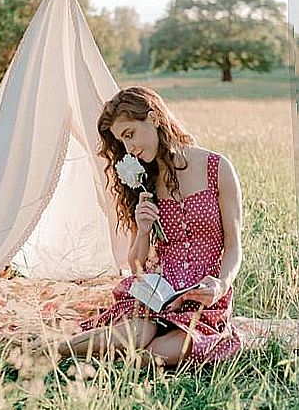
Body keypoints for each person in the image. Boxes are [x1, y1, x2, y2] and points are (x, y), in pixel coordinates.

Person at [55, 86, 243, 367]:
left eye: (130, 134)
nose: (129, 149)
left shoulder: (217, 168)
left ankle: (115, 360)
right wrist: (143, 230)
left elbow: (233, 247)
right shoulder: (145, 183)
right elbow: (137, 264)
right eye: (122, 140)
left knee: (160, 352)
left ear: (153, 118)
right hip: (158, 293)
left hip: (204, 297)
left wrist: (221, 284)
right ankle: (56, 349)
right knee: (139, 333)